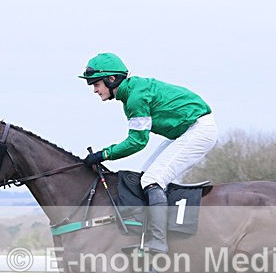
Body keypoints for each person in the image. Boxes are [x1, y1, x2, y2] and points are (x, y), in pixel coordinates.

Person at [80, 52, 218, 253]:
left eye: (96, 84)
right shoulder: (130, 93)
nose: (94, 89)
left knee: (152, 181)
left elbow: (137, 142)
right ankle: (151, 232)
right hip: (184, 130)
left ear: (111, 79)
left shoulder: (135, 97)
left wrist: (103, 155)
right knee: (144, 178)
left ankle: (159, 240)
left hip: (198, 130)